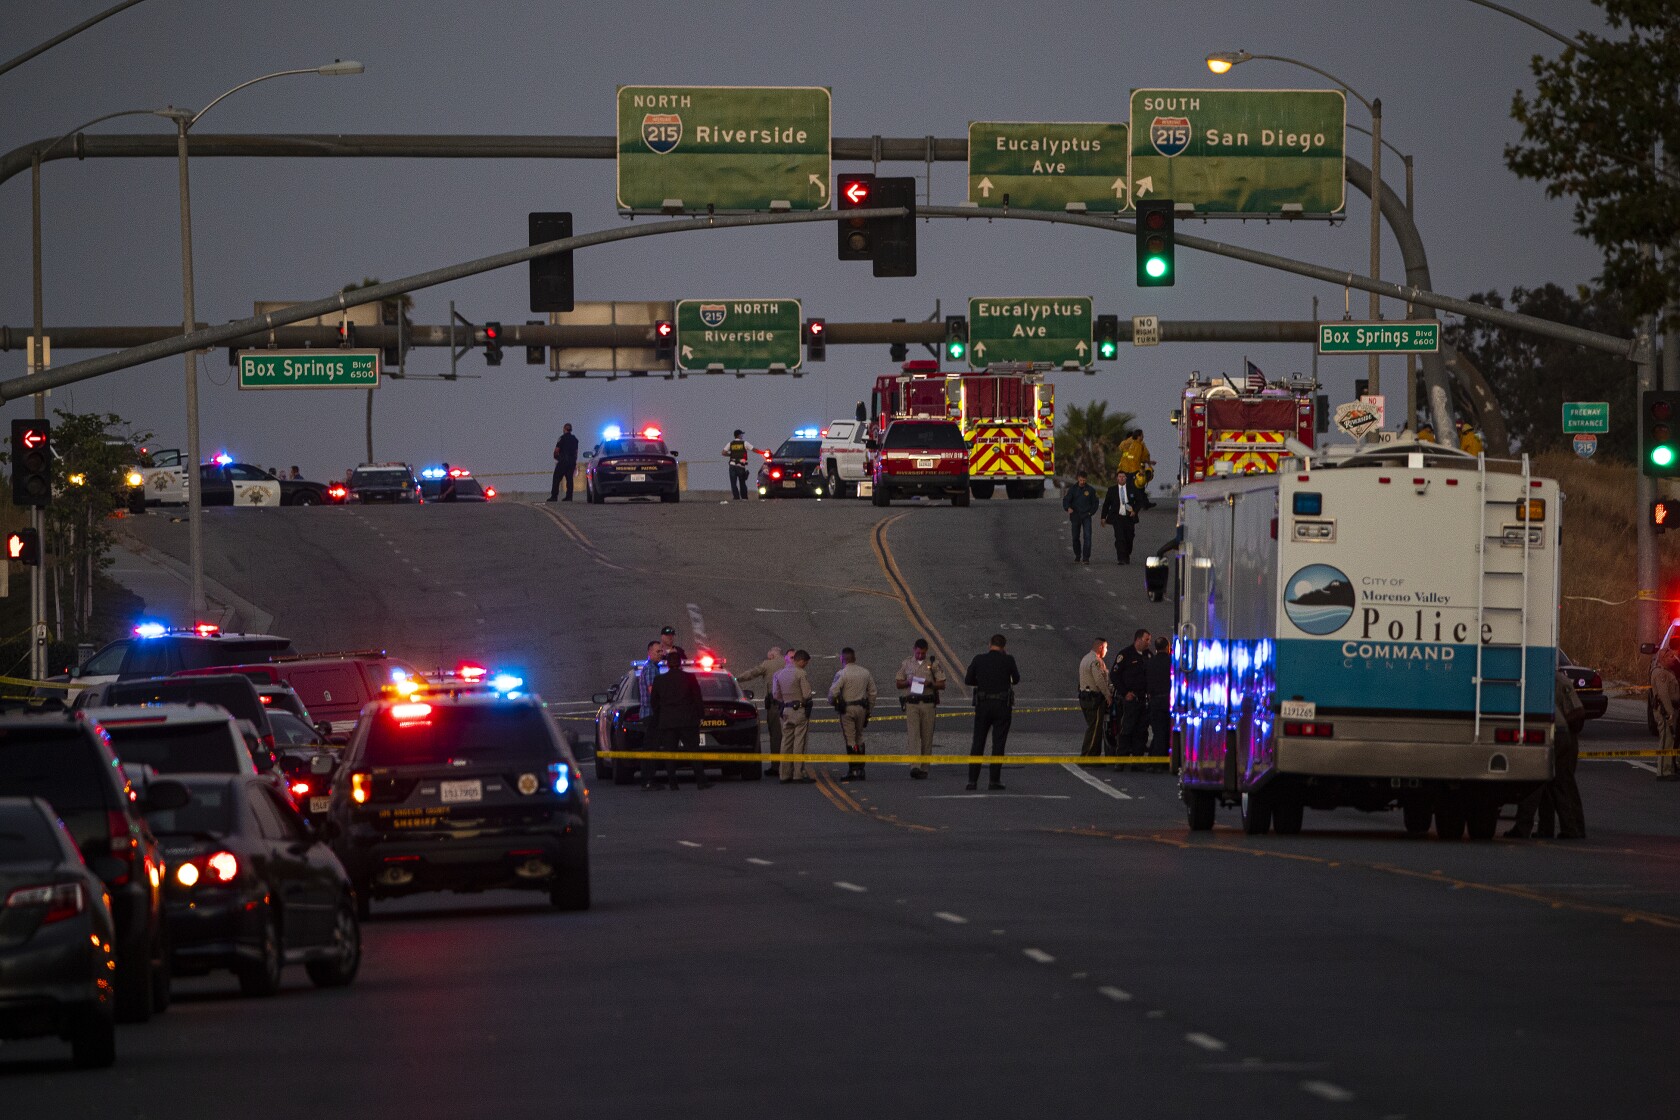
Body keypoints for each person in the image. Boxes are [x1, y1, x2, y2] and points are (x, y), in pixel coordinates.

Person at [1509, 672, 1587, 838]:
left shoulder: (1554, 680)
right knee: (1556, 785)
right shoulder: (1544, 677)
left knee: (1537, 782)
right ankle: (1559, 828)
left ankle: (1524, 827)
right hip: (1558, 731)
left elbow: (1578, 713)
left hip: (1557, 733)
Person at [644, 652, 710, 790]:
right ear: (680, 663)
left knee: (670, 753)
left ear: (667, 664)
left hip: (667, 722)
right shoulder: (689, 678)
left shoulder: (659, 680)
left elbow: (654, 701)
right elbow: (697, 698)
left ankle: (673, 783)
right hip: (688, 721)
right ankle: (701, 781)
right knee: (694, 751)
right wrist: (700, 716)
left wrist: (661, 715)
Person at [964, 634, 1020, 791]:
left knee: (978, 742)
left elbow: (968, 680)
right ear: (1004, 646)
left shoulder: (979, 659)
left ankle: (972, 780)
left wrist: (981, 681)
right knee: (998, 743)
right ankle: (994, 780)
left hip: (983, 704)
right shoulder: (1008, 660)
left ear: (989, 644)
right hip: (1002, 705)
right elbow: (1016, 679)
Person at [896, 639, 946, 779]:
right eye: (918, 653)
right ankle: (915, 766)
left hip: (927, 703)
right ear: (914, 650)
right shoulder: (906, 663)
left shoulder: (933, 664)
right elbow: (898, 682)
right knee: (913, 735)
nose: (920, 656)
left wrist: (930, 683)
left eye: (922, 653)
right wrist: (908, 682)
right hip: (912, 703)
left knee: (927, 735)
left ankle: (924, 767)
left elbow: (942, 684)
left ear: (926, 651)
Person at [828, 648, 878, 781]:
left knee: (850, 739)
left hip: (848, 709)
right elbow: (873, 692)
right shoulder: (865, 672)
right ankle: (861, 769)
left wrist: (834, 703)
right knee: (859, 736)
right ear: (854, 658)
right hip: (861, 708)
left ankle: (853, 769)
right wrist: (869, 710)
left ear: (842, 659)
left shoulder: (842, 673)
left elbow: (833, 693)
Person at [737, 645, 786, 776]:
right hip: (790, 705)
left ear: (772, 655)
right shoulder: (788, 663)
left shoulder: (767, 664)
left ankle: (776, 766)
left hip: (775, 706)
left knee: (776, 736)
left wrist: (736, 679)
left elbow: (752, 673)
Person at [1110, 629, 1152, 764]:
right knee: (1127, 729)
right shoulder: (1125, 654)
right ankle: (1121, 759)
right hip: (1130, 699)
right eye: (1146, 640)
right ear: (1138, 639)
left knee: (1141, 731)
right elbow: (1114, 675)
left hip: (1143, 699)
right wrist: (1125, 692)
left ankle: (1137, 760)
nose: (1148, 643)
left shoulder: (1148, 655)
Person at [772, 650, 814, 783]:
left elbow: (776, 695)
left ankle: (784, 774)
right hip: (799, 710)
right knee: (799, 742)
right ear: (801, 661)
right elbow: (807, 694)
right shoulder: (800, 673)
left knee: (786, 742)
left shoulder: (779, 673)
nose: (805, 665)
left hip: (786, 710)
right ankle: (797, 774)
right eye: (805, 663)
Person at [1078, 638, 1113, 761]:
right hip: (1094, 699)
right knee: (1095, 728)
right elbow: (1099, 680)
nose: (1106, 650)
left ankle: (1092, 755)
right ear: (1100, 647)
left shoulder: (1085, 658)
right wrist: (1108, 695)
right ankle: (1088, 756)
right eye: (1106, 648)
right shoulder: (1096, 661)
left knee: (1093, 727)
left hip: (1085, 697)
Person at [1099, 468, 1139, 564]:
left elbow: (1138, 502)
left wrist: (1135, 511)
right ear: (1117, 478)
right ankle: (1121, 558)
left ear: (1126, 478)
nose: (1121, 479)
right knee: (1119, 538)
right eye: (1119, 477)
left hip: (1129, 517)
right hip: (1117, 517)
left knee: (1129, 537)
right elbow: (1106, 504)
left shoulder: (1132, 489)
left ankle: (1127, 554)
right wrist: (1103, 517)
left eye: (1123, 477)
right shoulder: (1112, 490)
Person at [1145, 635, 1173, 768]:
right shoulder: (1172, 662)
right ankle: (1162, 761)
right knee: (1167, 730)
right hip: (1168, 699)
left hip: (1155, 700)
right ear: (1167, 647)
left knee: (1158, 730)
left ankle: (1154, 760)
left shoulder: (1150, 662)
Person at [1062, 470, 1100, 563]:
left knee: (1087, 536)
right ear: (1078, 479)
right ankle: (1078, 555)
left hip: (1086, 516)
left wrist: (1091, 513)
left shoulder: (1090, 490)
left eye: (1084, 480)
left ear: (1086, 479)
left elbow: (1095, 503)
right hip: (1075, 516)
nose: (1082, 482)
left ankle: (1086, 557)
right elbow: (1066, 500)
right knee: (1075, 537)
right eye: (1081, 480)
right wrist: (1068, 508)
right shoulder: (1073, 489)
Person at [1117, 430, 1155, 508]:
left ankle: (1140, 503)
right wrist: (1148, 465)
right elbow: (1143, 456)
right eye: (1142, 435)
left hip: (1124, 468)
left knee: (1129, 487)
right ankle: (1138, 504)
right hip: (1134, 468)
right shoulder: (1139, 444)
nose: (1143, 437)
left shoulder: (1124, 443)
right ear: (1138, 436)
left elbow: (1120, 450)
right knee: (1138, 486)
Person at [1656, 662, 1680, 781]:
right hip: (1665, 711)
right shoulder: (1662, 673)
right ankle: (1663, 772)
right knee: (1666, 739)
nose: (1673, 658)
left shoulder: (1669, 672)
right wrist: (1670, 712)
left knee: (1670, 740)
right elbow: (1663, 694)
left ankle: (1668, 768)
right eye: (1669, 656)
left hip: (1673, 709)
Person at [722, 429, 756, 500]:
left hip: (732, 466)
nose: (742, 436)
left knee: (733, 483)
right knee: (742, 483)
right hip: (740, 466)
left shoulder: (730, 444)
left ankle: (736, 497)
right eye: (742, 434)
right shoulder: (744, 443)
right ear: (739, 435)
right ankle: (744, 497)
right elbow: (753, 449)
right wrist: (763, 453)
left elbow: (723, 453)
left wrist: (731, 455)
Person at [549, 422, 579, 502]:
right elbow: (576, 452)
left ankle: (554, 496)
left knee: (556, 478)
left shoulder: (562, 438)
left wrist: (557, 458)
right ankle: (569, 497)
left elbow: (556, 451)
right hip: (571, 462)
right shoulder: (575, 439)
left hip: (563, 461)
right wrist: (574, 462)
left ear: (564, 429)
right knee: (569, 479)